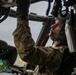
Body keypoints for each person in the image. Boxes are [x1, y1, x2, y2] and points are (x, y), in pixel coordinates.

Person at [13, 0, 68, 75]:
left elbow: (27, 53)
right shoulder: (60, 52)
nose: (52, 26)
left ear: (66, 30)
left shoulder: (59, 53)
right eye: (54, 22)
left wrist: (22, 16)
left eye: (58, 25)